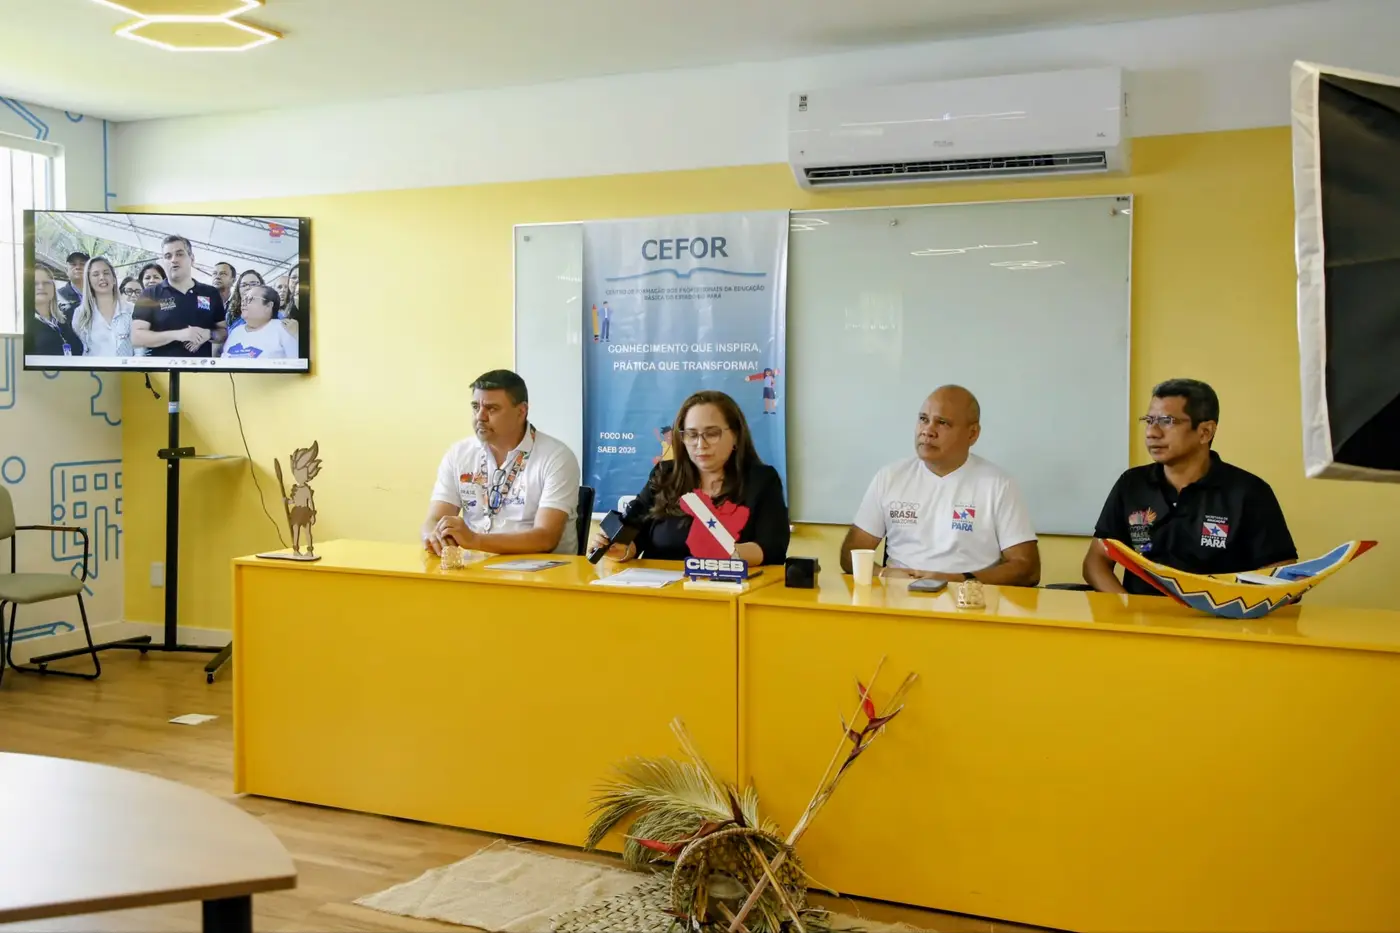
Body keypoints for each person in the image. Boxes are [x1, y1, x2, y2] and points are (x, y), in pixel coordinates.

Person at [1082, 378, 1297, 595]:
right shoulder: (1132, 484)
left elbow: (1280, 572)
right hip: (1142, 622)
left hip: (1218, 623)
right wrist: (1127, 606)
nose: (1152, 433)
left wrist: (1236, 607)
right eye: (1148, 420)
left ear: (1205, 432)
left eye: (1167, 421)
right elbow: (1096, 562)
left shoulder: (1248, 492)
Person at [839, 385, 1040, 585]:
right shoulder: (890, 477)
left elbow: (1027, 568)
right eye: (923, 419)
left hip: (969, 602)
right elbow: (851, 554)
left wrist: (961, 580)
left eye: (942, 423)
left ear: (972, 434)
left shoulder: (998, 485)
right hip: (898, 601)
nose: (928, 431)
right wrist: (883, 574)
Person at [591, 390, 790, 565]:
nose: (700, 445)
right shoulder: (665, 474)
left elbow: (772, 548)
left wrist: (729, 554)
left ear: (736, 435)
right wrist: (622, 549)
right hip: (663, 594)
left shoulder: (762, 481)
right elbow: (636, 534)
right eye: (692, 435)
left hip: (726, 593)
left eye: (711, 434)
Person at [422, 370, 581, 556]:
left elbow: (546, 538)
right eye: (475, 407)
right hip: (476, 570)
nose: (480, 417)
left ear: (521, 411)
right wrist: (434, 535)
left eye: (491, 409)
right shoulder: (459, 454)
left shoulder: (556, 457)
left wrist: (475, 540)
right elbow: (434, 519)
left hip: (540, 576)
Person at [131, 234, 226, 358]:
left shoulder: (210, 293)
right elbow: (136, 338)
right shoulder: (150, 294)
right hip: (161, 373)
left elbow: (223, 332)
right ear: (163, 262)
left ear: (192, 258)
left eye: (179, 254)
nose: (173, 260)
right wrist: (178, 335)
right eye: (168, 256)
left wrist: (208, 334)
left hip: (200, 373)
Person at [71, 257, 135, 358]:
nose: (102, 277)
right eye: (96, 274)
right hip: (93, 372)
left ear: (114, 279)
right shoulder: (80, 314)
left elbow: (140, 349)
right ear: (89, 281)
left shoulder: (132, 310)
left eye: (106, 273)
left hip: (127, 372)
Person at [222, 285, 298, 360]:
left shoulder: (284, 328)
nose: (243, 303)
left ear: (268, 305)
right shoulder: (236, 331)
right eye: (244, 299)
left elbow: (296, 365)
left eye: (250, 299)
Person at [27, 265, 79, 357]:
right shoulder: (25, 324)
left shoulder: (65, 320)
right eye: (35, 283)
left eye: (46, 283)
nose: (41, 287)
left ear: (53, 287)